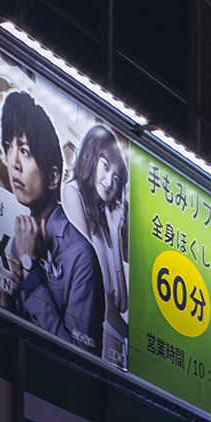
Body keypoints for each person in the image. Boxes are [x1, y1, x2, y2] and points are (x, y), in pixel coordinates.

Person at [0, 93, 103, 352]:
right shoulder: (21, 236)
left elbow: (78, 356)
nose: (13, 163)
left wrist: (30, 270)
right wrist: (6, 300)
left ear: (53, 177)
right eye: (8, 147)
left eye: (24, 151)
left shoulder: (81, 256)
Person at [70, 124, 130, 368]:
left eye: (116, 178)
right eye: (105, 167)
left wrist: (115, 233)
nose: (109, 182)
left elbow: (122, 302)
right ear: (91, 157)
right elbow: (93, 290)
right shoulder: (72, 193)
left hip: (114, 340)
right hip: (91, 335)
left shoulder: (102, 218)